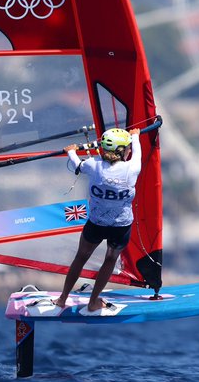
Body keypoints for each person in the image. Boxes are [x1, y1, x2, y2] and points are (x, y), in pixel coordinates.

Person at [53, 126, 142, 315]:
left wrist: (71, 151)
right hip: (121, 226)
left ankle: (62, 299)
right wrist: (135, 136)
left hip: (96, 223)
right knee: (110, 259)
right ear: (123, 150)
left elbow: (77, 165)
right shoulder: (133, 168)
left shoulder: (93, 165)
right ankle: (93, 302)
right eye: (127, 147)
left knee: (81, 257)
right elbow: (138, 150)